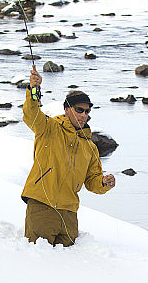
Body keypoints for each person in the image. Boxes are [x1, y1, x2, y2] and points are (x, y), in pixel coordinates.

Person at [22, 66, 115, 246]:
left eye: (87, 112)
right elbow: (31, 114)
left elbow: (92, 181)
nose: (84, 115)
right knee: (37, 260)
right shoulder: (49, 128)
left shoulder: (90, 147)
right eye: (79, 110)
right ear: (67, 109)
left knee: (69, 266)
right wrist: (34, 89)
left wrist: (104, 183)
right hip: (42, 205)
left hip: (69, 213)